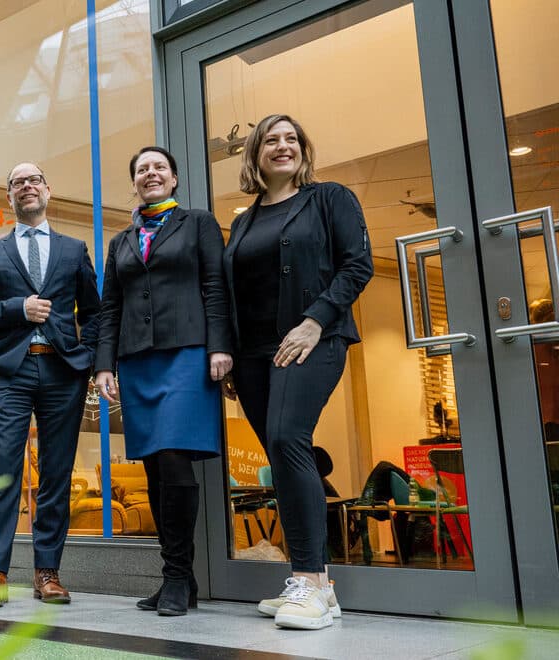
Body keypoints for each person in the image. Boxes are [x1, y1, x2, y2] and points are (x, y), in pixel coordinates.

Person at [222, 114, 372, 630]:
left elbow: (358, 265)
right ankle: (316, 586)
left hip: (311, 340)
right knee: (284, 458)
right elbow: (235, 293)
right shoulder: (244, 221)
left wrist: (315, 321)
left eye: (291, 139)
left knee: (289, 439)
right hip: (253, 355)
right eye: (271, 140)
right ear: (255, 154)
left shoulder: (329, 199)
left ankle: (310, 579)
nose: (282, 146)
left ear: (303, 150)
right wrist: (230, 355)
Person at [94, 146, 233, 616]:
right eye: (141, 169)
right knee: (153, 466)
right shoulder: (122, 241)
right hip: (137, 361)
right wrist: (104, 364)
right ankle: (180, 578)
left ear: (174, 178)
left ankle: (176, 574)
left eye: (159, 168)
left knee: (173, 459)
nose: (150, 174)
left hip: (187, 355)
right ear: (134, 182)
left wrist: (220, 345)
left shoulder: (198, 224)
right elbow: (110, 306)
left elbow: (215, 286)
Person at [0, 163, 100, 608]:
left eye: (34, 180)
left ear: (47, 190)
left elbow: (93, 313)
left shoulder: (74, 249)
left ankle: (48, 573)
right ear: (9, 197)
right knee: (3, 470)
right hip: (10, 373)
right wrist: (16, 308)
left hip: (63, 371)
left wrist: (89, 358)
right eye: (18, 182)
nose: (27, 186)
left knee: (56, 474)